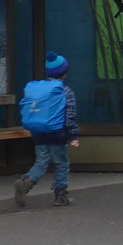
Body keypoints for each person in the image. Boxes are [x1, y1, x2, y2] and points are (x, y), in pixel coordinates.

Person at [14, 51, 79, 207]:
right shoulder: (65, 91)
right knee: (61, 163)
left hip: (38, 132)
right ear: (64, 73)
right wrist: (73, 136)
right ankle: (60, 196)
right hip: (57, 133)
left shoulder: (39, 88)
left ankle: (27, 181)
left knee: (41, 162)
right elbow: (70, 116)